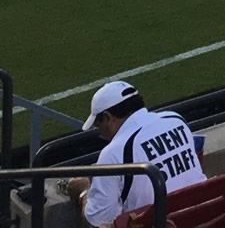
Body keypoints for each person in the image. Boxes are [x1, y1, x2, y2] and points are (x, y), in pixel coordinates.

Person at [65, 82, 204, 227]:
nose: (98, 131)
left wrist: (83, 191)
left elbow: (99, 221)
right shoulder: (175, 120)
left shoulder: (113, 153)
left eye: (97, 124)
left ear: (107, 117)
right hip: (200, 217)